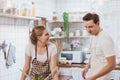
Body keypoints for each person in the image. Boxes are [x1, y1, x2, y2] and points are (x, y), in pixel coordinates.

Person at [82, 13, 116, 80]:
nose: (88, 30)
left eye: (90, 27)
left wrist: (93, 77)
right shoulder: (93, 36)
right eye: (86, 27)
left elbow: (112, 64)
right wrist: (87, 67)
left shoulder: (105, 38)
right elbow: (94, 55)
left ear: (98, 23)